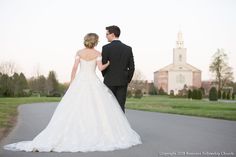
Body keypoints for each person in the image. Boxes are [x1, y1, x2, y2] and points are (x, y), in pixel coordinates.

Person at [3, 33, 141, 152]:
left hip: (80, 80)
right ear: (95, 42)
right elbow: (100, 68)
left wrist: (72, 82)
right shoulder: (98, 53)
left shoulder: (79, 53)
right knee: (97, 107)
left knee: (74, 107)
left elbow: (74, 68)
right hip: (92, 80)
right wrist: (108, 64)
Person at [102, 25, 135, 113]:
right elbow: (132, 67)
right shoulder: (128, 49)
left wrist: (106, 75)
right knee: (120, 106)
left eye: (107, 34)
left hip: (109, 81)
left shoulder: (105, 48)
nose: (106, 36)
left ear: (112, 34)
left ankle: (109, 126)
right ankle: (121, 126)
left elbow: (103, 65)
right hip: (122, 81)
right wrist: (127, 79)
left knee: (108, 106)